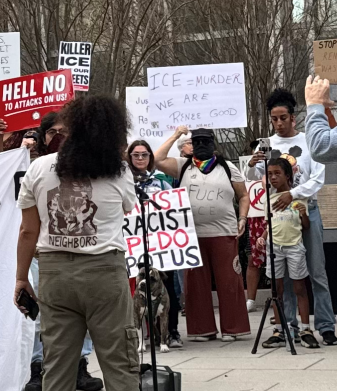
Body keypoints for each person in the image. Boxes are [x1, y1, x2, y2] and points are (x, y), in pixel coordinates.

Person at [16, 95, 138, 391]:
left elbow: (28, 231)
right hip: (105, 272)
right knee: (119, 363)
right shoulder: (118, 171)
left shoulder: (39, 168)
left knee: (56, 365)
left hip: (54, 273)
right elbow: (126, 208)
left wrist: (21, 277)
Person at [245, 87, 337, 345]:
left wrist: (294, 194)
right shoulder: (267, 144)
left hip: (307, 209)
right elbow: (255, 180)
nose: (279, 123)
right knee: (282, 275)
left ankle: (325, 325)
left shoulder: (309, 140)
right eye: (274, 119)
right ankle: (286, 327)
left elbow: (318, 179)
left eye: (283, 118)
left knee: (316, 271)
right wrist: (252, 164)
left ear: (293, 117)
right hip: (278, 213)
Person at [155, 126, 250, 342]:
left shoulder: (228, 167)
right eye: (196, 143)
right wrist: (177, 135)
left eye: (205, 142)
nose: (201, 146)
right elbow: (158, 159)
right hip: (192, 234)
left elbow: (243, 195)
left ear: (213, 143)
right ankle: (201, 329)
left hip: (224, 231)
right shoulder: (183, 166)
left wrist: (242, 218)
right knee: (195, 284)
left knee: (229, 281)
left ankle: (233, 328)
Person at [259, 158, 320, 349]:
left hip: (294, 246)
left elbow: (306, 226)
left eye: (277, 173)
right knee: (276, 290)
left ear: (287, 175)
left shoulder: (298, 197)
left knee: (299, 287)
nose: (273, 178)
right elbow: (269, 223)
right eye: (269, 174)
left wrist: (302, 214)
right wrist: (262, 236)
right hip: (275, 247)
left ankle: (305, 329)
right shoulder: (268, 199)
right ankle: (279, 330)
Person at [127, 140, 183, 349]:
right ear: (130, 157)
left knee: (167, 286)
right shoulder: (123, 181)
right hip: (134, 243)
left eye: (144, 155)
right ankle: (141, 335)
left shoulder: (160, 181)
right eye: (136, 155)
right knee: (137, 286)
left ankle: (172, 333)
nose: (140, 159)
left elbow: (175, 207)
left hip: (162, 243)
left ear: (150, 157)